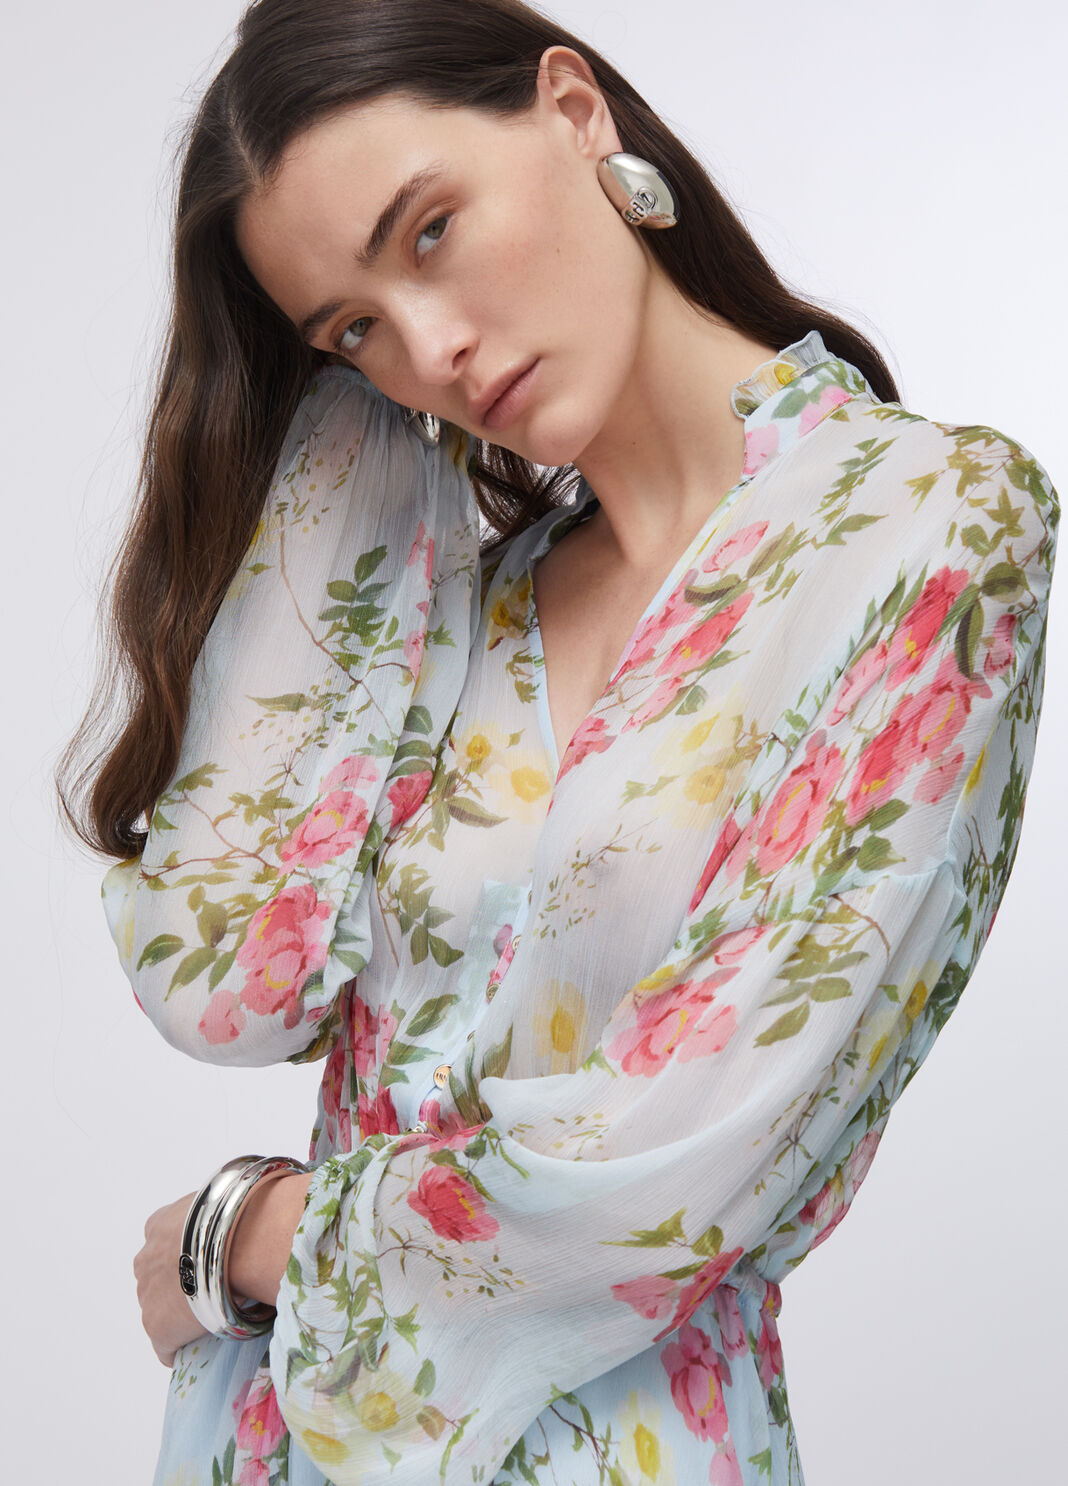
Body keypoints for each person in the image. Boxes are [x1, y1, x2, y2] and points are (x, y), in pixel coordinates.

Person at [56, 1, 1060, 1482]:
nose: (434, 348)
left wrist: (253, 1230)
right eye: (355, 328)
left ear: (576, 113)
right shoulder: (457, 616)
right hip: (277, 1443)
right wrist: (351, 426)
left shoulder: (927, 531)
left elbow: (669, 1171)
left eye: (431, 232)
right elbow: (226, 983)